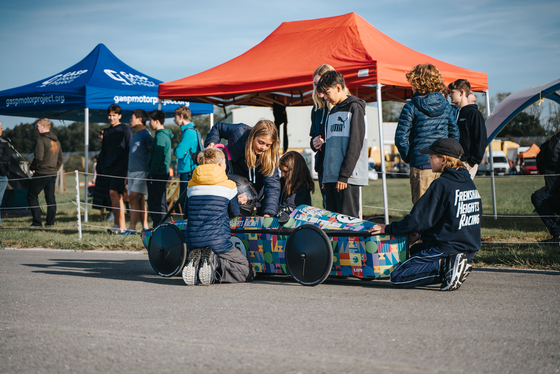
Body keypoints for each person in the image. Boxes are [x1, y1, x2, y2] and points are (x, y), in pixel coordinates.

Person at [369, 138, 481, 291]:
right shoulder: (467, 182)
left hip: (448, 248)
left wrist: (387, 229)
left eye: (431, 156)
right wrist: (421, 234)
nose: (428, 159)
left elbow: (416, 220)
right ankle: (455, 266)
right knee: (414, 251)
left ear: (443, 159)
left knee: (398, 275)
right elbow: (448, 218)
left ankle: (448, 265)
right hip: (468, 249)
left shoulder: (442, 184)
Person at [182, 147, 253, 286]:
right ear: (220, 165)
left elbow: (186, 212)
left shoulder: (191, 186)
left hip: (192, 241)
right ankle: (213, 265)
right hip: (218, 242)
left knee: (205, 250)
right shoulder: (229, 186)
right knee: (247, 270)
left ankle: (198, 265)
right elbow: (234, 212)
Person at [395, 64, 459, 204]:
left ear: (417, 83)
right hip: (443, 165)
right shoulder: (446, 105)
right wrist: (449, 158)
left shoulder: (410, 106)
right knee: (443, 211)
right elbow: (454, 135)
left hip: (421, 165)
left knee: (422, 213)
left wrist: (411, 157)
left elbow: (401, 138)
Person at [316, 70, 368, 218]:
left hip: (347, 179)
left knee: (349, 221)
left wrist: (344, 175)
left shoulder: (355, 108)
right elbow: (331, 146)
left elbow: (355, 144)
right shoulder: (332, 113)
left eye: (327, 93)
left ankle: (353, 243)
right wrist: (327, 176)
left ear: (338, 88)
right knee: (332, 221)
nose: (325, 98)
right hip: (332, 178)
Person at [205, 119, 280, 217]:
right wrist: (211, 142)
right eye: (260, 142)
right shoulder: (239, 132)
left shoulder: (270, 157)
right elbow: (218, 127)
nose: (263, 148)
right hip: (232, 180)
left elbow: (272, 186)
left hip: (252, 196)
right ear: (253, 136)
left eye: (268, 145)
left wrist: (268, 213)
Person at [98, 105, 132, 234]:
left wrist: (127, 170)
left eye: (114, 115)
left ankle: (122, 226)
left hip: (121, 167)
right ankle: (117, 224)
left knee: (116, 194)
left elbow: (129, 149)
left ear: (119, 116)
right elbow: (104, 151)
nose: (111, 118)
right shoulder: (106, 132)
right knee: (113, 196)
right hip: (108, 168)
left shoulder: (126, 130)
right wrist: (102, 167)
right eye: (109, 115)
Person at [119, 109, 152, 235]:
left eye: (132, 118)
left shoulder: (146, 134)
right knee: (140, 199)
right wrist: (128, 174)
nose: (130, 120)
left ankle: (131, 229)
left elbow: (151, 151)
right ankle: (145, 226)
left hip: (141, 172)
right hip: (132, 172)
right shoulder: (136, 134)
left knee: (133, 198)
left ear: (139, 119)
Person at [27, 118, 63, 227]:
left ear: (43, 126)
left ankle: (37, 222)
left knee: (31, 196)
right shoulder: (56, 141)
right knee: (50, 198)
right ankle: (50, 223)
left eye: (37, 126)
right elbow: (60, 159)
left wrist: (32, 167)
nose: (36, 128)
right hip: (52, 173)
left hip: (41, 173)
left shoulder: (41, 140)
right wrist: (54, 169)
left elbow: (38, 157)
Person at [448, 79, 487, 179]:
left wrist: (471, 163)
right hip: (454, 162)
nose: (449, 95)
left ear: (462, 92)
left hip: (466, 163)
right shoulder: (454, 113)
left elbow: (481, 140)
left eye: (452, 92)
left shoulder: (474, 114)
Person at [172, 106, 202, 218]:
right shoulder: (193, 130)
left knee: (186, 201)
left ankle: (187, 225)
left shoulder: (189, 133)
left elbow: (179, 152)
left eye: (175, 117)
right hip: (190, 170)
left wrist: (176, 149)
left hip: (188, 171)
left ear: (181, 116)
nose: (174, 120)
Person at [531, 131, 560, 245]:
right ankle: (558, 235)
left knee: (539, 197)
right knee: (538, 196)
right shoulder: (553, 143)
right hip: (555, 190)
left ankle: (558, 235)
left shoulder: (553, 143)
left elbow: (552, 159)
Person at [146, 110, 173, 227]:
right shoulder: (162, 136)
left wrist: (151, 173)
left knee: (155, 203)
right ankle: (161, 226)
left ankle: (158, 227)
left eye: (150, 121)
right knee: (160, 202)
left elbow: (158, 157)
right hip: (161, 172)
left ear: (157, 121)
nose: (149, 123)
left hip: (158, 174)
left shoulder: (160, 137)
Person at [277, 151, 314, 216]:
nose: (282, 175)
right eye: (281, 171)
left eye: (285, 172)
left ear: (295, 171)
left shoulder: (302, 187)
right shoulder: (282, 182)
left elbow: (290, 206)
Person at [0, 122, 11, 228]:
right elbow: (5, 160)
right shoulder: (3, 143)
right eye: (1, 128)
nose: (2, 130)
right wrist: (4, 172)